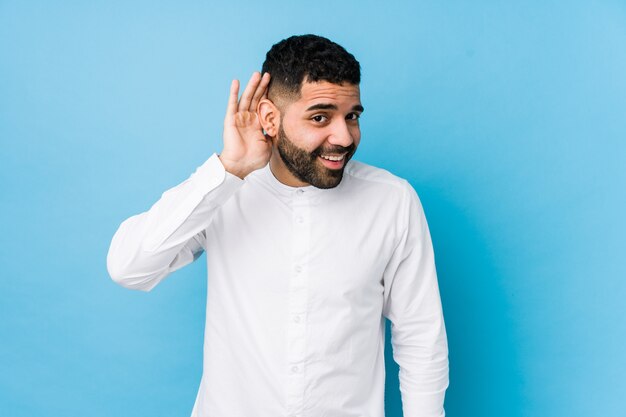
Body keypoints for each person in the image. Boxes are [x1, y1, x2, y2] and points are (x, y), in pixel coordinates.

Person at [107, 34, 449, 417]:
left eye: (351, 116)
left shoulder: (392, 201)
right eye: (320, 117)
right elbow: (129, 269)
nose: (344, 136)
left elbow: (421, 341)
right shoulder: (222, 192)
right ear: (271, 118)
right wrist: (227, 170)